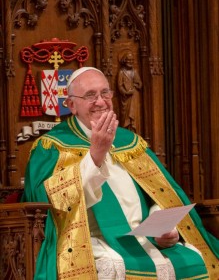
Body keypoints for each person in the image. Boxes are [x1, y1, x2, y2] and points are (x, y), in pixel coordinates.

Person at [22, 66, 219, 280]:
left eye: (105, 93)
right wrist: (95, 156)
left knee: (194, 262)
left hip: (145, 238)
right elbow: (47, 203)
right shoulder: (52, 147)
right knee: (116, 268)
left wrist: (163, 228)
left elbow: (159, 194)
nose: (100, 101)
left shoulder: (129, 142)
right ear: (71, 105)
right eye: (90, 95)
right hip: (91, 242)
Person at [117, 50, 142, 133]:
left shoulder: (134, 72)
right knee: (126, 117)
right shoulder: (121, 72)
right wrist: (126, 92)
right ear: (125, 60)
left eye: (132, 60)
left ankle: (134, 131)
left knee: (134, 116)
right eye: (128, 60)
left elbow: (140, 84)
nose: (130, 62)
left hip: (134, 97)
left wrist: (136, 86)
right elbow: (119, 86)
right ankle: (127, 133)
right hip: (125, 99)